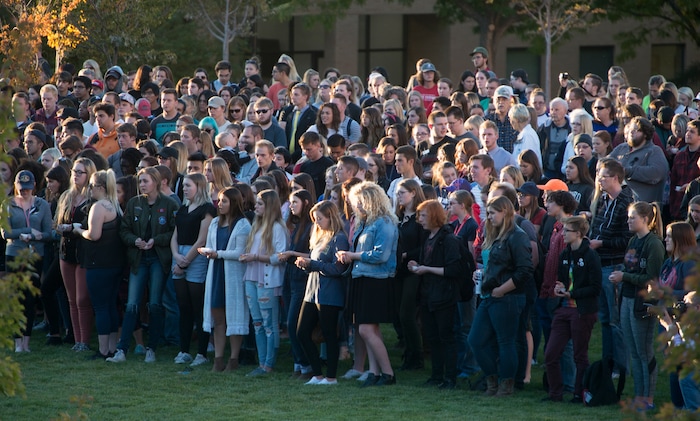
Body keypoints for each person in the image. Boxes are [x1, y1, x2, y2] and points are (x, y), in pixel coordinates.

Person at [107, 167, 178, 363]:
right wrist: (134, 240)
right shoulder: (134, 203)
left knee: (155, 303)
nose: (142, 185)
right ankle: (122, 349)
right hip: (138, 258)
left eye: (145, 181)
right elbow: (124, 229)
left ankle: (152, 348)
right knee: (131, 304)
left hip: (157, 258)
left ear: (156, 181)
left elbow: (174, 231)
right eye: (140, 181)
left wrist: (156, 240)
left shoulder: (169, 204)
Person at [468, 196, 533, 397]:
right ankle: (492, 380)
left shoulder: (517, 236)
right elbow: (491, 264)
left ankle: (506, 384)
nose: (489, 217)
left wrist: (502, 290)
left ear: (504, 212)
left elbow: (524, 271)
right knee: (475, 340)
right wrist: (481, 274)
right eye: (488, 213)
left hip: (508, 298)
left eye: (492, 213)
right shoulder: (494, 234)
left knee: (506, 342)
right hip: (490, 295)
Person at [337, 182, 399, 387]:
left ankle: (388, 373)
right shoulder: (365, 222)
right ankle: (374, 371)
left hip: (377, 281)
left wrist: (352, 255)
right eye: (357, 202)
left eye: (362, 202)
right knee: (370, 328)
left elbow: (382, 255)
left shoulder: (384, 223)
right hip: (362, 277)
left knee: (365, 329)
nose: (358, 206)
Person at [609, 201, 665, 411]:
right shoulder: (633, 239)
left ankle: (648, 398)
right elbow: (630, 266)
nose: (629, 220)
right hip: (628, 298)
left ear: (645, 220)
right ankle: (639, 396)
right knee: (633, 351)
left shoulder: (654, 244)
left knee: (644, 352)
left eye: (632, 217)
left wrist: (625, 276)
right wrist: (623, 277)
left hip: (643, 302)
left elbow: (652, 277)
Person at [543, 216, 601, 403]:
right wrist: (559, 288)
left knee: (580, 355)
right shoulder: (565, 254)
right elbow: (561, 280)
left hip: (582, 311)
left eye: (567, 231)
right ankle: (555, 393)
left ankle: (578, 393)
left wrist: (572, 294)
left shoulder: (590, 256)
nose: (563, 234)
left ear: (578, 233)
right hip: (563, 309)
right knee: (551, 354)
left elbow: (595, 287)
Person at [408, 200, 463, 390]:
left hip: (444, 295)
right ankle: (436, 374)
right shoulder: (428, 238)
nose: (420, 219)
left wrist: (426, 269)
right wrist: (417, 264)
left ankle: (450, 378)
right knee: (432, 337)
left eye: (423, 215)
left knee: (446, 336)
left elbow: (454, 269)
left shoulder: (448, 239)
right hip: (428, 294)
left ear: (433, 215)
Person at [295, 201, 350, 385]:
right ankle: (317, 374)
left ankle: (331, 376)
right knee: (302, 332)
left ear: (330, 217)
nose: (316, 222)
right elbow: (315, 263)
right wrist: (305, 264)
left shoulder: (339, 238)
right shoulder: (319, 236)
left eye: (320, 218)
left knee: (329, 335)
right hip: (311, 291)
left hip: (330, 293)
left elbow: (338, 269)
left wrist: (312, 264)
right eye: (315, 219)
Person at [198, 187, 252, 372]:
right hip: (216, 273)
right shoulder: (214, 223)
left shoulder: (243, 225)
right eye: (219, 200)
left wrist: (217, 253)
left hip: (233, 275)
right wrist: (209, 252)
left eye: (224, 201)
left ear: (234, 203)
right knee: (218, 317)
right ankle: (218, 359)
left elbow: (240, 252)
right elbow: (210, 246)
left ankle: (234, 358)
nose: (219, 204)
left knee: (234, 317)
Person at [73, 170, 125, 360]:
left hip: (99, 264)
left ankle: (103, 350)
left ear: (100, 187)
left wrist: (79, 231)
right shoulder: (115, 205)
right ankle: (111, 347)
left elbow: (94, 235)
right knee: (111, 305)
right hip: (115, 263)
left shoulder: (98, 207)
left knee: (101, 307)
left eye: (92, 186)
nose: (90, 190)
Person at [2, 170, 53, 353]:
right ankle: (17, 342)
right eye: (21, 189)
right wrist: (26, 232)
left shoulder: (42, 205)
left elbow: (48, 233)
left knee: (29, 298)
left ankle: (26, 341)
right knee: (16, 297)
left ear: (34, 188)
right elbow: (5, 232)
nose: (24, 192)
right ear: (16, 186)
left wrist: (36, 236)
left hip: (34, 255)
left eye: (28, 189)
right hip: (14, 253)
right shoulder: (7, 205)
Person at [238, 189, 287, 376]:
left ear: (270, 206)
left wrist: (256, 256)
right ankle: (261, 362)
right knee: (257, 322)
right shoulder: (255, 226)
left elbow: (280, 257)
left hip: (268, 281)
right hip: (251, 277)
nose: (256, 206)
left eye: (260, 204)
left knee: (269, 323)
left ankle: (268, 363)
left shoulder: (277, 228)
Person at [171, 173, 216, 366]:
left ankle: (202, 352)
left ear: (199, 186)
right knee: (184, 307)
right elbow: (175, 235)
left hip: (195, 256)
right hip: (179, 254)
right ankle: (183, 350)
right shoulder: (183, 208)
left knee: (198, 307)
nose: (185, 189)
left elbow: (202, 239)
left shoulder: (207, 209)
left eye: (188, 186)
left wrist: (184, 262)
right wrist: (176, 256)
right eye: (184, 186)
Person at [55, 157, 97, 352]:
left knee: (82, 299)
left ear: (89, 175)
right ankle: (77, 340)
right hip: (66, 250)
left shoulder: (93, 199)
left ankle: (85, 340)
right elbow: (55, 224)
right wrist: (62, 228)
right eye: (74, 171)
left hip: (83, 252)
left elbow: (92, 227)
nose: (76, 175)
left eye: (80, 172)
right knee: (71, 299)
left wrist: (74, 228)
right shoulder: (66, 196)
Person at [278, 190, 313, 379]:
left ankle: (305, 363)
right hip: (290, 276)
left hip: (302, 277)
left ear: (305, 202)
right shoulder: (297, 224)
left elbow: (314, 254)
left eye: (295, 202)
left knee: (294, 323)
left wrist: (291, 254)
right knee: (289, 322)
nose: (291, 206)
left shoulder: (312, 226)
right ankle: (299, 364)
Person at [394, 179, 426, 371]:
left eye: (402, 193)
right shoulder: (398, 216)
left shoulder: (419, 217)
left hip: (413, 270)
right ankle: (409, 352)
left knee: (407, 314)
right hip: (398, 270)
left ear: (413, 192)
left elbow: (424, 245)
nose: (399, 196)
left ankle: (417, 355)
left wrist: (407, 254)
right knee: (400, 314)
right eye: (398, 193)